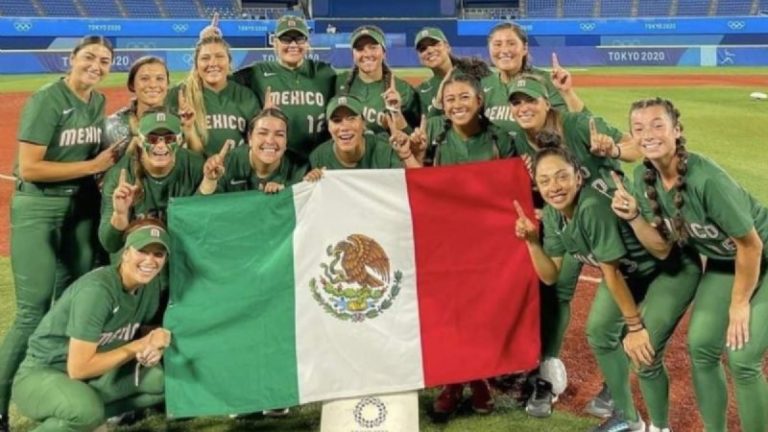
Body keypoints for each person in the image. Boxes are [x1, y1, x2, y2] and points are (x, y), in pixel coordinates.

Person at [515, 138, 700, 432]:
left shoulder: (592, 207)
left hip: (669, 272)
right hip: (632, 274)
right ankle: (628, 419)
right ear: (537, 186)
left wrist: (635, 328)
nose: (555, 186)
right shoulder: (553, 215)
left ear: (578, 177)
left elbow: (611, 274)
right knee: (600, 332)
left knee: (644, 351)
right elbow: (551, 276)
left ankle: (660, 428)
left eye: (562, 176)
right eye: (545, 180)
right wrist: (532, 242)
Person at [617, 98, 768, 432]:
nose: (648, 134)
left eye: (657, 125)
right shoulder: (644, 181)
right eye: (638, 128)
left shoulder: (706, 179)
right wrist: (634, 217)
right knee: (701, 347)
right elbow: (662, 247)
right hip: (726, 261)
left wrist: (739, 303)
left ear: (677, 130)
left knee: (742, 358)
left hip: (759, 255)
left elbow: (751, 244)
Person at [0, 35, 119, 431]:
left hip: (79, 210)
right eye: (89, 57)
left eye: (104, 60)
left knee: (71, 306)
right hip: (38, 208)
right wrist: (93, 167)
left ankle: (61, 387)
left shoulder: (98, 102)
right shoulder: (47, 100)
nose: (96, 65)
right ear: (72, 58)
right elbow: (30, 168)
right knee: (32, 311)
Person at [507, 74, 641, 417]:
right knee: (554, 290)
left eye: (530, 100)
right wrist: (533, 239)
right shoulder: (519, 140)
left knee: (614, 301)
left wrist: (613, 149)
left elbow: (635, 147)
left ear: (547, 101)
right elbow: (550, 273)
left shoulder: (577, 123)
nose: (523, 108)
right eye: (516, 103)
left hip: (617, 225)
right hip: (567, 222)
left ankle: (616, 380)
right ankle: (547, 372)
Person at [414, 68, 514, 420]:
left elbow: (514, 188)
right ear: (442, 104)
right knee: (448, 312)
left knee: (480, 313)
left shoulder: (500, 139)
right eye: (450, 99)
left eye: (464, 97)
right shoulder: (434, 135)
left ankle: (480, 378)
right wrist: (415, 155)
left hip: (487, 242)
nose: (456, 104)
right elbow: (417, 181)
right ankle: (453, 382)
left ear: (480, 100)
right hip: (444, 239)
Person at [11, 220, 173, 432]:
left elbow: (144, 332)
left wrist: (154, 345)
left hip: (95, 374)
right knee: (87, 412)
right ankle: (87, 416)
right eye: (142, 251)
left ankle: (88, 419)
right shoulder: (97, 292)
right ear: (125, 253)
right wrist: (139, 346)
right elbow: (78, 369)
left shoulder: (149, 286)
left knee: (161, 383)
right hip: (45, 373)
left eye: (158, 254)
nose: (150, 260)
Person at [233, 14, 337, 166]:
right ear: (275, 43)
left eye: (299, 39)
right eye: (286, 39)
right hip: (275, 163)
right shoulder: (256, 73)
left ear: (307, 43)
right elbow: (218, 79)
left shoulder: (324, 73)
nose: (293, 45)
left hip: (318, 160)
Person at [99, 110, 204, 256]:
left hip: (182, 251)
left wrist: (209, 184)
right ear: (140, 141)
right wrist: (120, 215)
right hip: (138, 254)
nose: (161, 145)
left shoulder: (196, 166)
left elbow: (206, 226)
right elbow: (110, 244)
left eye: (169, 139)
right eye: (152, 139)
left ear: (180, 140)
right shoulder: (120, 175)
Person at [167, 35, 260, 156]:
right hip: (193, 167)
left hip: (236, 166)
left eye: (219, 56)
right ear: (196, 64)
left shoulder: (245, 96)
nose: (213, 63)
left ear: (229, 62)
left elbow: (257, 143)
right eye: (205, 58)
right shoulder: (180, 95)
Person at [482, 22, 584, 129]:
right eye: (497, 45)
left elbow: (579, 126)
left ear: (525, 48)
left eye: (511, 44)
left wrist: (567, 93)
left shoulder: (546, 80)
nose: (504, 50)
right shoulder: (483, 84)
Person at [102, 56, 201, 160]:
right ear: (132, 84)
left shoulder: (181, 121)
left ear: (167, 85)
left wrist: (189, 130)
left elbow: (197, 162)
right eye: (144, 78)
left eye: (160, 78)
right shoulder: (113, 126)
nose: (153, 85)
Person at [198, 108, 307, 195]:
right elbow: (202, 209)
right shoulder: (227, 163)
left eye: (279, 135)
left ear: (286, 141)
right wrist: (209, 181)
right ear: (250, 138)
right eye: (263, 133)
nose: (270, 141)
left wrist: (285, 192)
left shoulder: (300, 168)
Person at [336, 25, 420, 136]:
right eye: (360, 49)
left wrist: (396, 115)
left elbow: (414, 138)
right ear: (353, 55)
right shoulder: (338, 82)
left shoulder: (402, 89)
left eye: (373, 47)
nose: (367, 54)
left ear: (384, 53)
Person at [305, 95, 418, 177]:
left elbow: (416, 186)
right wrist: (310, 182)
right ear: (329, 127)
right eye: (337, 120)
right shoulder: (318, 158)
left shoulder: (383, 150)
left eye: (351, 119)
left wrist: (407, 156)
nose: (344, 127)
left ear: (364, 123)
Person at [412, 27, 491, 120]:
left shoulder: (476, 73)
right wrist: (437, 105)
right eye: (422, 49)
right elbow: (425, 126)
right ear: (420, 58)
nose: (429, 50)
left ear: (447, 47)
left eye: (434, 44)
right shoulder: (421, 92)